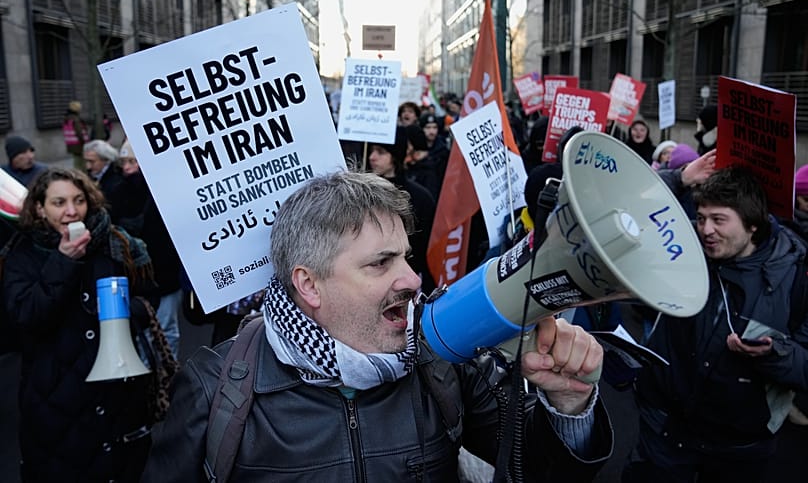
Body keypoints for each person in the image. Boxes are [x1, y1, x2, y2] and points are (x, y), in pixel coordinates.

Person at [142, 170, 613, 481]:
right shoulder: (217, 388)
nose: (412, 280)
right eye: (380, 263)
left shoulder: (441, 360)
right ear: (309, 284)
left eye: (405, 258)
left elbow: (536, 470)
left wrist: (568, 405)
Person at [624, 166, 808, 482]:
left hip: (739, 446)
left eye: (719, 220)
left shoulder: (796, 279)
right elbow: (626, 211)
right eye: (700, 218)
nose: (705, 230)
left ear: (752, 224)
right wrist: (679, 178)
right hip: (665, 428)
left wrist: (774, 355)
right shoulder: (684, 249)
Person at [1, 167, 158, 482]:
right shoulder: (21, 255)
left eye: (79, 200)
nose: (72, 211)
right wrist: (64, 261)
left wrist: (127, 312)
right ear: (40, 208)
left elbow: (148, 296)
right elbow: (25, 316)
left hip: (117, 398)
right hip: (56, 402)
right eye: (59, 203)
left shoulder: (115, 243)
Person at [109, 140, 184, 358]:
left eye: (132, 162)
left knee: (166, 328)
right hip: (136, 276)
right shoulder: (116, 192)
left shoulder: (164, 190)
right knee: (142, 330)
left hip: (164, 273)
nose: (127, 168)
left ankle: (168, 369)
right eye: (124, 162)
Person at [368, 126, 437, 292]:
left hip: (409, 283)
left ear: (395, 156)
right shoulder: (363, 194)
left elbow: (427, 248)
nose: (372, 157)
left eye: (380, 152)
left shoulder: (420, 197)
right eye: (371, 151)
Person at [62, 100, 90, 169]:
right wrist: (84, 141)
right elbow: (79, 132)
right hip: (78, 144)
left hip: (71, 144)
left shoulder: (66, 119)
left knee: (77, 160)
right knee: (81, 162)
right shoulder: (76, 119)